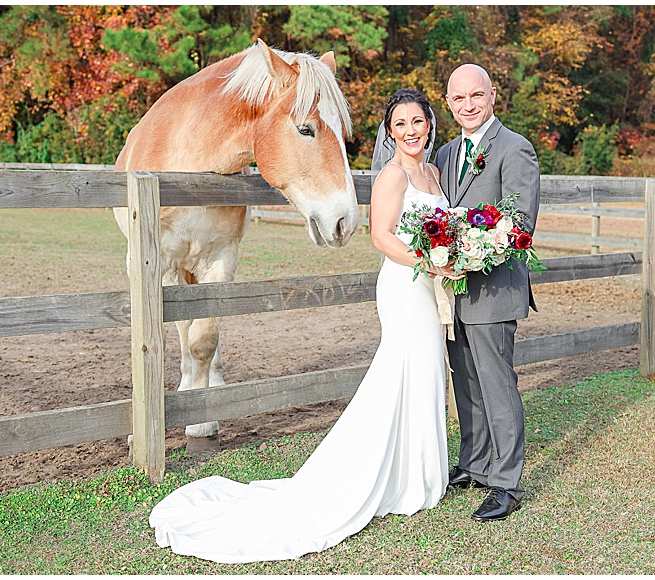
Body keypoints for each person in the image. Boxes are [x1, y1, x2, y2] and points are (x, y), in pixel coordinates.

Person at [148, 88, 457, 563]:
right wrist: (432, 261)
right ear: (389, 132)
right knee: (400, 371)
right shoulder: (393, 175)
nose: (411, 131)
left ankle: (418, 474)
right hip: (405, 285)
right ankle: (390, 475)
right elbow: (381, 236)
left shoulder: (433, 173)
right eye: (401, 124)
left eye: (418, 122)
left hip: (427, 284)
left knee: (426, 372)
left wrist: (452, 253)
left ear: (431, 124)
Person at [433, 64, 541, 522]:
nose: (468, 106)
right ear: (449, 103)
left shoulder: (515, 149)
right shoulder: (444, 153)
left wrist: (468, 252)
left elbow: (520, 225)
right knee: (466, 383)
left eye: (476, 95)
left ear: (493, 95)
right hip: (453, 292)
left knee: (497, 386)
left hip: (493, 290)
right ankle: (474, 464)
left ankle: (506, 482)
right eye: (459, 99)